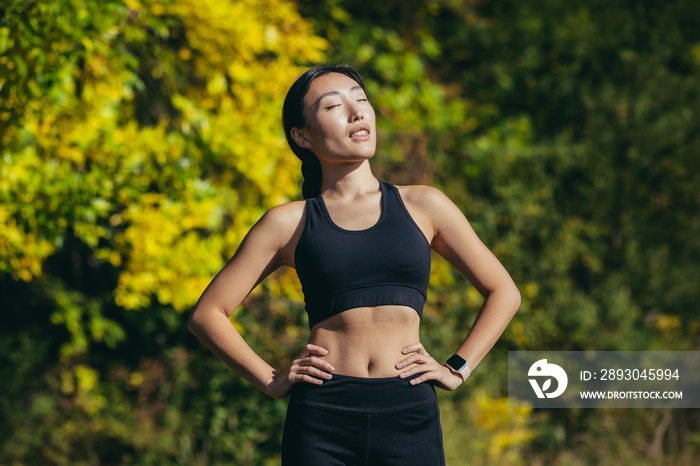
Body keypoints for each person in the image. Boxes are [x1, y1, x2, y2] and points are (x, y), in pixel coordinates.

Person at [188, 64, 521, 465]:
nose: (357, 111)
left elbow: (504, 292)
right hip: (322, 417)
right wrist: (272, 380)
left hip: (408, 412)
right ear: (302, 136)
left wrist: (456, 368)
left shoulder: (425, 205)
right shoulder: (288, 222)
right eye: (334, 105)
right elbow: (208, 314)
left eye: (361, 99)